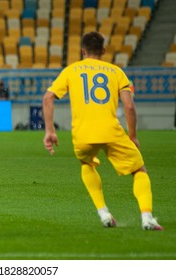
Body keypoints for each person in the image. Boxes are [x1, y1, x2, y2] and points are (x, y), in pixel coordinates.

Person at [42, 32, 163, 231]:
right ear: (104, 51)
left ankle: (103, 213)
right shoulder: (116, 71)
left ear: (83, 51)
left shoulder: (71, 70)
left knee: (86, 163)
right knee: (139, 170)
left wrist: (50, 131)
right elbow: (129, 107)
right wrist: (132, 136)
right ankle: (147, 217)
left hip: (82, 134)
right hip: (111, 131)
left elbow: (48, 98)